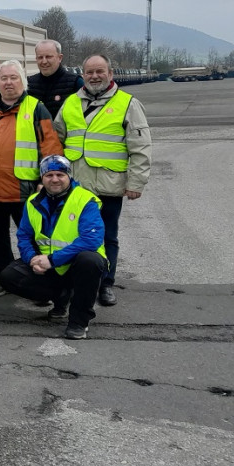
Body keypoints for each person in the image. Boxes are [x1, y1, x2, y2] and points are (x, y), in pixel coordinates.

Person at [53, 54, 151, 306]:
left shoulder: (128, 104)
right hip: (75, 188)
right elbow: (56, 140)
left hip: (108, 186)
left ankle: (106, 284)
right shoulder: (71, 103)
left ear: (110, 73)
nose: (94, 76)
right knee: (71, 236)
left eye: (100, 71)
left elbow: (140, 147)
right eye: (90, 72)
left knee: (107, 237)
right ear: (83, 75)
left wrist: (136, 183)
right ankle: (74, 282)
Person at [0, 59, 62, 282]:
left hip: (25, 191)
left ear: (23, 81)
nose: (8, 82)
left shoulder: (36, 108)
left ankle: (40, 280)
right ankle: (5, 277)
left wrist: (47, 181)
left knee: (33, 238)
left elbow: (51, 148)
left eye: (13, 78)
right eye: (4, 78)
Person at [0, 155, 108, 339]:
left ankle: (79, 321)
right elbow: (24, 236)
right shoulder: (33, 202)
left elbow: (91, 240)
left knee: (90, 260)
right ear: (42, 178)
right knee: (8, 276)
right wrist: (32, 259)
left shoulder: (85, 200)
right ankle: (62, 296)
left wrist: (52, 260)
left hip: (76, 266)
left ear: (69, 176)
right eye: (49, 175)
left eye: (60, 175)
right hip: (48, 266)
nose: (55, 179)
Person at [27, 39, 84, 119]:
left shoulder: (75, 83)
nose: (44, 61)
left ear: (60, 58)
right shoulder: (29, 84)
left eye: (48, 57)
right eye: (40, 57)